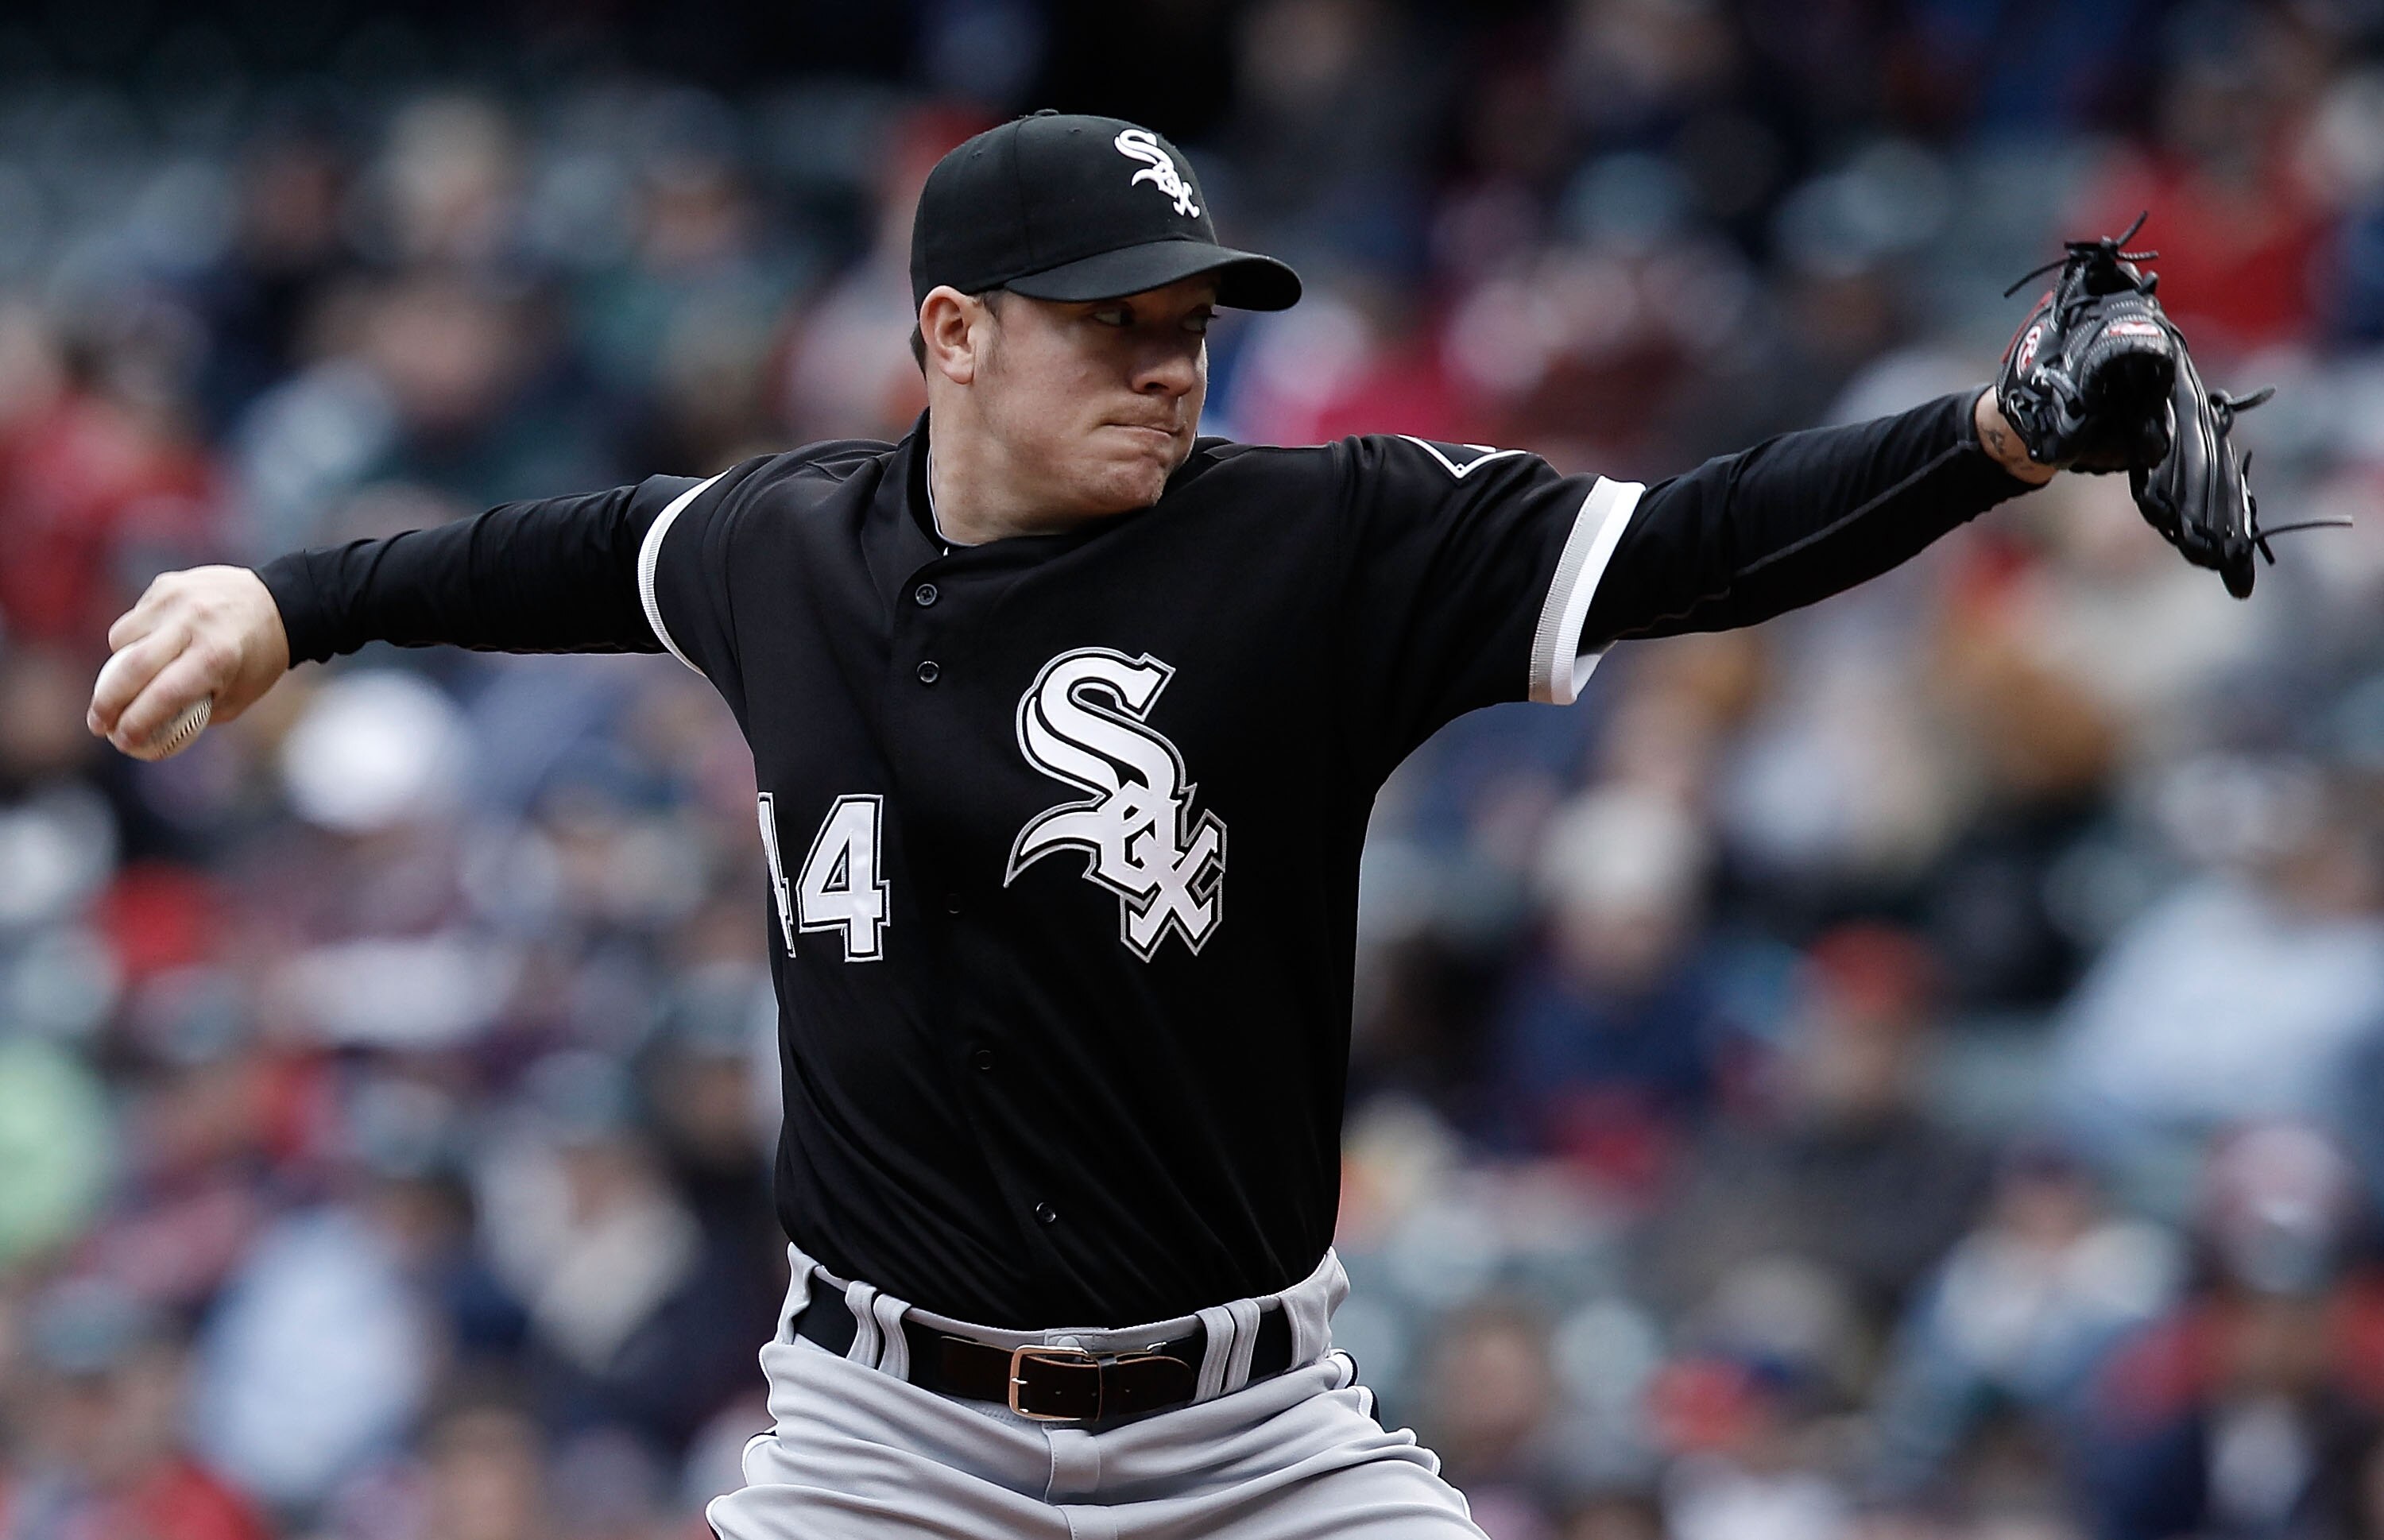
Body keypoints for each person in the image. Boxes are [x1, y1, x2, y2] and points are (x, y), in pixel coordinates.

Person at [88, 110, 2076, 1538]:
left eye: (1190, 321)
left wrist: (1996, 435)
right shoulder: (782, 547)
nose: (1169, 362)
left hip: (1253, 1440)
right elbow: (549, 556)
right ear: (954, 332)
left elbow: (1696, 544)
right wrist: (289, 602)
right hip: (884, 1443)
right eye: (1112, 320)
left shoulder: (1319, 542)